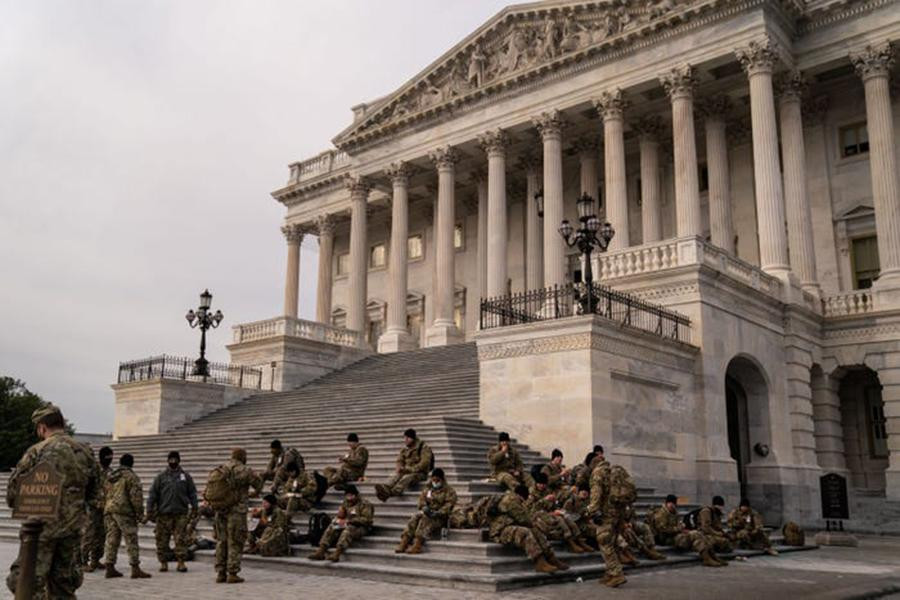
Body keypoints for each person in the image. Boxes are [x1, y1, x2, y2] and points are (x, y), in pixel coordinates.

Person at [5, 403, 101, 599]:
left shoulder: (37, 451)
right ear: (62, 424)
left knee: (28, 582)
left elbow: (14, 492)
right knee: (64, 584)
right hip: (72, 529)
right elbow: (95, 493)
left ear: (42, 427)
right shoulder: (85, 452)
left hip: (41, 530)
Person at [487, 484, 567, 574]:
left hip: (510, 526)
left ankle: (551, 557)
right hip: (501, 531)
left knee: (535, 530)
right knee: (525, 532)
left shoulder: (516, 500)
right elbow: (524, 519)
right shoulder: (510, 500)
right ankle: (539, 562)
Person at [212, 447, 263, 584]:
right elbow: (258, 484)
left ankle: (220, 573)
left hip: (221, 510)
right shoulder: (245, 470)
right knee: (235, 540)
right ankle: (232, 573)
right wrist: (254, 492)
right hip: (237, 511)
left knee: (221, 541)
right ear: (242, 457)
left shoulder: (223, 468)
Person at [587, 453, 635, 588]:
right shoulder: (614, 471)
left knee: (605, 542)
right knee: (613, 543)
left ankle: (617, 574)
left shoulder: (597, 473)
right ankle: (610, 573)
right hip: (619, 513)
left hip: (607, 514)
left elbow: (596, 495)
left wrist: (591, 511)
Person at [147, 450, 199, 573]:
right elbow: (153, 494)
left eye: (175, 459)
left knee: (181, 539)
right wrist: (149, 510)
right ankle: (163, 563)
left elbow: (192, 493)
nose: (173, 461)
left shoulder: (185, 476)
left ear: (179, 460)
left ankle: (181, 562)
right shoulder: (161, 477)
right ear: (168, 461)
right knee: (162, 540)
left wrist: (195, 507)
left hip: (180, 513)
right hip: (163, 514)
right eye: (171, 459)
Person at [104, 453, 151, 579]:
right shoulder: (131, 477)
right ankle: (135, 568)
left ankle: (109, 566)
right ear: (131, 463)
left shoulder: (112, 476)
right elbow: (136, 497)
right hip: (124, 511)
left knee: (112, 538)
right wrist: (140, 514)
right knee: (131, 539)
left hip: (110, 509)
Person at [645, 494, 724, 567]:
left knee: (698, 536)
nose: (672, 505)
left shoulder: (674, 512)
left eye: (674, 504)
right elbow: (663, 530)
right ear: (667, 503)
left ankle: (710, 556)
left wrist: (682, 528)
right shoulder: (661, 514)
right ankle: (707, 558)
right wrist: (678, 528)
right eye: (670, 503)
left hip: (676, 535)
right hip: (667, 539)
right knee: (695, 534)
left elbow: (677, 526)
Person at [526, 472, 592, 554]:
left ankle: (580, 541)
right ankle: (570, 542)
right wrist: (544, 500)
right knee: (560, 520)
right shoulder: (531, 493)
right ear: (536, 483)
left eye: (543, 484)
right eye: (540, 484)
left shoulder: (547, 491)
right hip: (537, 516)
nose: (542, 486)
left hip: (549, 513)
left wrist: (557, 509)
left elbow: (554, 504)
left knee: (567, 518)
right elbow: (530, 510)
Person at [396, 468, 457, 554]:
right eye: (433, 480)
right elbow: (421, 500)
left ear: (442, 480)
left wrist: (438, 512)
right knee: (415, 517)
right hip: (428, 512)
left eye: (437, 480)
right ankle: (404, 541)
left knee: (425, 519)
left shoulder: (449, 491)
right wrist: (424, 507)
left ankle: (417, 544)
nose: (435, 482)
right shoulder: (428, 489)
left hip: (440, 517)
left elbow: (449, 505)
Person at [308, 485, 374, 563]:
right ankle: (321, 550)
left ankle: (337, 553)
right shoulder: (346, 502)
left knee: (348, 530)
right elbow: (342, 515)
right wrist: (339, 518)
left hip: (362, 527)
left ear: (356, 495)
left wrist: (350, 521)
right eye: (347, 496)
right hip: (347, 523)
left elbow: (367, 520)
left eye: (351, 496)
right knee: (332, 527)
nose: (349, 498)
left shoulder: (365, 504)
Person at [375, 428, 433, 502]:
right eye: (405, 438)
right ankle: (385, 488)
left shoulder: (423, 447)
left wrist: (409, 469)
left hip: (420, 473)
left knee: (407, 477)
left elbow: (424, 463)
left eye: (407, 438)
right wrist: (399, 467)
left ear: (413, 438)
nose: (405, 440)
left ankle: (393, 492)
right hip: (406, 470)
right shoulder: (405, 449)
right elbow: (400, 460)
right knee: (395, 475)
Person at [82, 445, 113, 572]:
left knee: (101, 535)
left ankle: (96, 559)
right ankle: (83, 561)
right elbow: (86, 489)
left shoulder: (110, 471)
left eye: (111, 457)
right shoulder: (93, 471)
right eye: (107, 457)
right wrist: (92, 502)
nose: (109, 459)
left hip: (105, 508)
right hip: (93, 508)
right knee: (89, 534)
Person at [562, 483, 600, 549]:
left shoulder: (588, 502)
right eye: (583, 492)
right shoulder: (571, 501)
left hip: (585, 522)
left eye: (586, 492)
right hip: (576, 524)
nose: (584, 493)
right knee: (597, 530)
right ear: (579, 492)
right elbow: (566, 514)